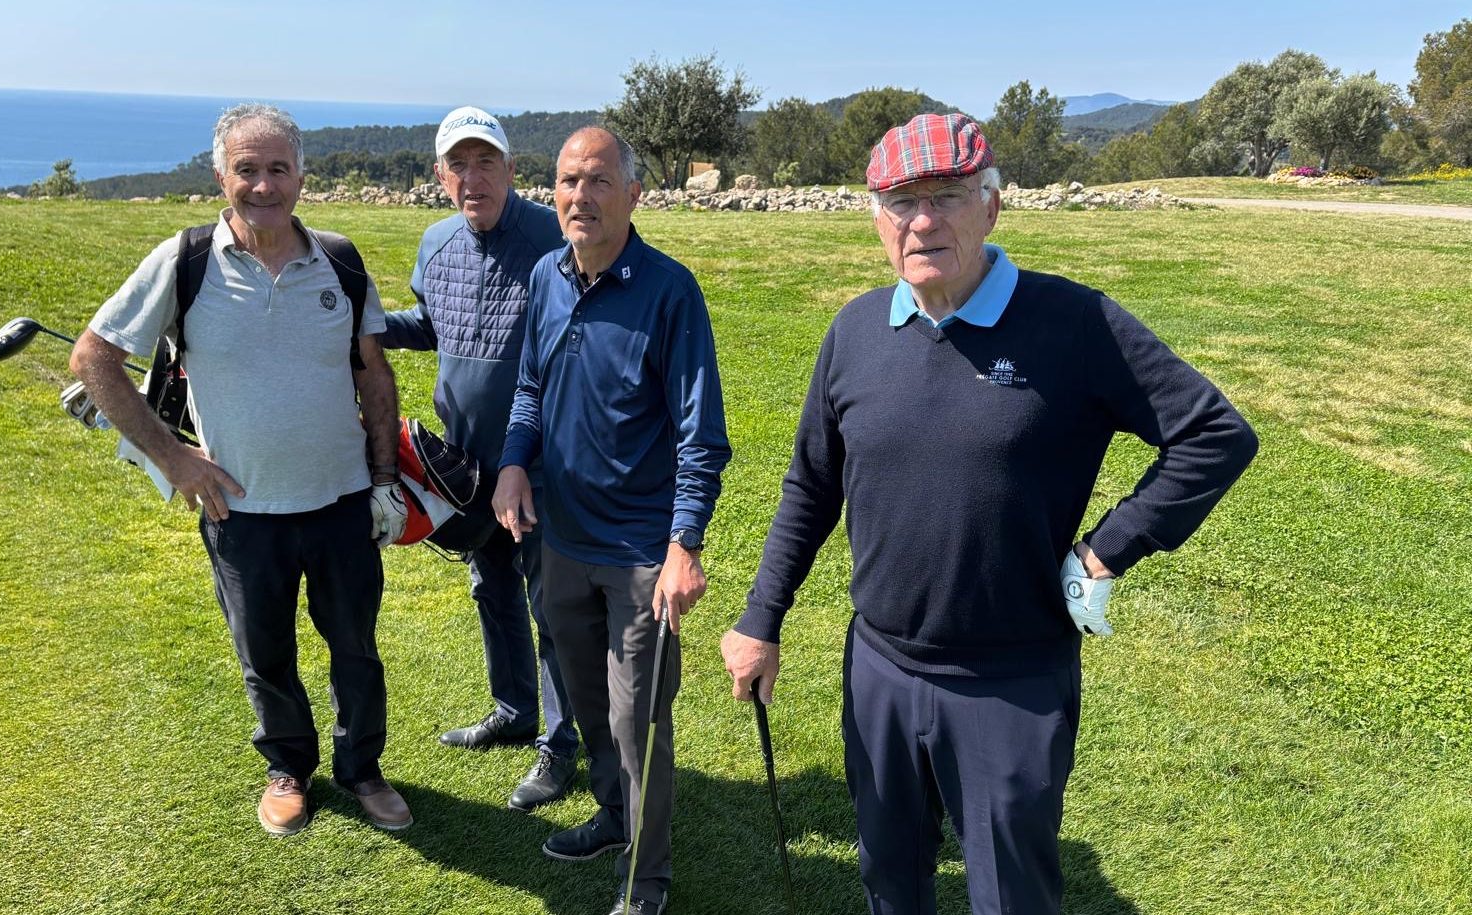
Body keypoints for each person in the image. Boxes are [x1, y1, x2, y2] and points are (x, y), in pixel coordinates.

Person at [719, 113, 1259, 915]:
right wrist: (762, 616)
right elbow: (811, 482)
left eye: (945, 196)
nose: (923, 221)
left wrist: (1107, 549)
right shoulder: (855, 330)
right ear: (876, 218)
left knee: (1011, 897)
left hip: (1013, 682)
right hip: (880, 667)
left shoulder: (1072, 324)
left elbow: (1215, 434)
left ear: (991, 206)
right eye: (901, 201)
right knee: (889, 877)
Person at [70, 103, 413, 837]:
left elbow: (373, 376)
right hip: (241, 510)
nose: (263, 185)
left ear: (301, 177)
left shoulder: (340, 261)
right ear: (221, 176)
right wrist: (172, 456)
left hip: (342, 500)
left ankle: (362, 769)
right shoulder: (185, 261)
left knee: (355, 648)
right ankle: (289, 767)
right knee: (265, 654)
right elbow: (93, 358)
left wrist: (385, 480)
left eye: (278, 169)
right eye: (246, 169)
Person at [493, 126, 731, 915]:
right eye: (568, 180)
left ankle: (647, 880)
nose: (580, 196)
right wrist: (514, 462)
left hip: (638, 555)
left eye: (598, 181)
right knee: (587, 702)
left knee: (638, 721)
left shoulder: (669, 291)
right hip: (561, 541)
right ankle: (612, 814)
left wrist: (684, 543)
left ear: (633, 194)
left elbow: (700, 434)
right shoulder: (547, 275)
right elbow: (530, 386)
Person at [378, 106, 578, 811]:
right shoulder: (436, 243)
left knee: (551, 603)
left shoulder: (554, 238)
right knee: (490, 586)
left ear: (511, 169)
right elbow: (432, 326)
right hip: (464, 465)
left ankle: (560, 743)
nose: (473, 177)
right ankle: (514, 709)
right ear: (441, 176)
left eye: (486, 161)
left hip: (542, 464)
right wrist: (362, 325)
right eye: (458, 165)